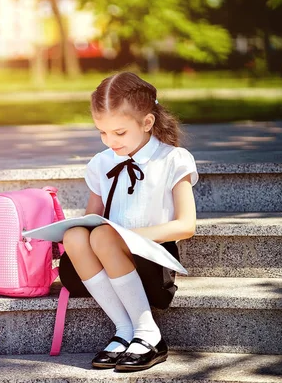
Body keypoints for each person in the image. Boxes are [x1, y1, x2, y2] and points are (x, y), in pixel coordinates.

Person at [61, 71, 198, 372]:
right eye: (102, 132)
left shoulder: (173, 159)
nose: (110, 141)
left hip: (152, 266)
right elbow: (91, 220)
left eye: (119, 133)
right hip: (109, 268)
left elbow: (186, 225)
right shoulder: (101, 162)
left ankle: (149, 334)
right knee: (76, 236)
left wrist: (130, 236)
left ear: (147, 122)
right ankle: (125, 330)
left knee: (105, 236)